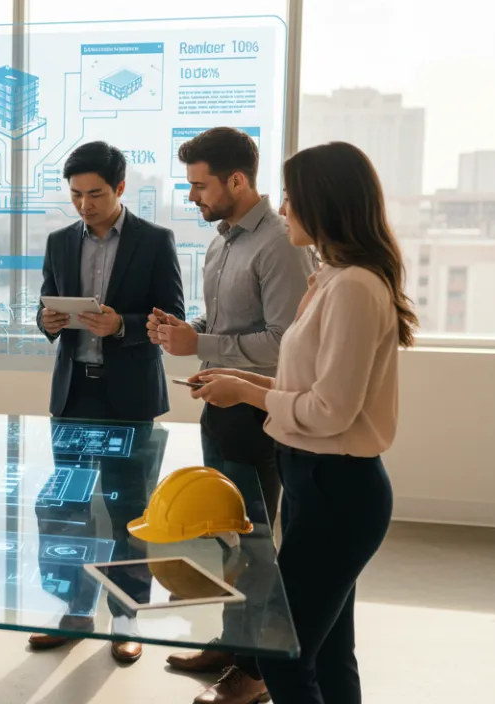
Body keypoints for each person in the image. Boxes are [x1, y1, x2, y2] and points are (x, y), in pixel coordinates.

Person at [190, 142, 412, 704]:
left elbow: (329, 411)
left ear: (324, 203)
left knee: (282, 657)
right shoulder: (334, 279)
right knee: (330, 652)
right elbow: (310, 393)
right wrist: (243, 386)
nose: (283, 209)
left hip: (338, 490)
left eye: (291, 197)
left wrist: (244, 388)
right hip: (316, 482)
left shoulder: (356, 288)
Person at [147, 127, 314, 704]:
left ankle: (255, 673)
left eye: (201, 185)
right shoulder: (221, 241)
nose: (193, 196)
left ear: (238, 181)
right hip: (219, 406)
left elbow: (286, 343)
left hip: (258, 412)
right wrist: (182, 333)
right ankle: (228, 642)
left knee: (256, 547)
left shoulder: (281, 244)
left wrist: (204, 343)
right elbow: (224, 328)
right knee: (224, 538)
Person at [32, 140, 185, 664]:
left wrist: (124, 324)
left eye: (94, 194)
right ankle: (74, 611)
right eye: (75, 195)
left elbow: (171, 320)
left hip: (130, 396)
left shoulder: (156, 241)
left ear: (120, 188)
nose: (84, 205)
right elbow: (45, 306)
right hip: (74, 392)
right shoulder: (57, 242)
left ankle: (125, 617)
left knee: (130, 512)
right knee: (68, 510)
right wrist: (46, 321)